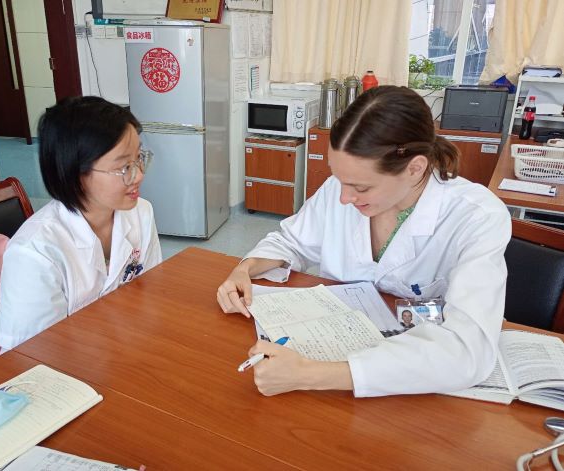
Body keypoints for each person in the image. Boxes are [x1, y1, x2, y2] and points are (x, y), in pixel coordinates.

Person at [217, 85, 511, 397]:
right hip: (337, 339)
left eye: (361, 187)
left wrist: (310, 375)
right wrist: (246, 268)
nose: (344, 197)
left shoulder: (477, 217)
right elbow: (290, 241)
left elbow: (467, 352)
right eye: (340, 180)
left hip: (409, 385)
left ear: (415, 168)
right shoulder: (341, 190)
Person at [0, 96, 162, 351]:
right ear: (76, 172)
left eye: (139, 158)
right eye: (124, 167)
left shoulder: (141, 212)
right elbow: (30, 355)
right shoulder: (34, 252)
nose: (139, 174)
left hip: (128, 349)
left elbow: (152, 291)